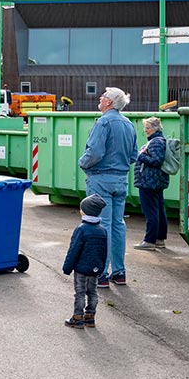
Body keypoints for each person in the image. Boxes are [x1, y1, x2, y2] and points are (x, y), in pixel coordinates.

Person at [78, 87, 137, 288]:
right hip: (121, 179)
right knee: (118, 224)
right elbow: (133, 155)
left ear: (109, 102)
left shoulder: (103, 122)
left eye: (102, 97)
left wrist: (82, 163)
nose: (100, 99)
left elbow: (94, 152)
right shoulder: (129, 124)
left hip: (100, 178)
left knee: (102, 225)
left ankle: (101, 273)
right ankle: (119, 272)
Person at [62, 195, 108, 328]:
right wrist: (101, 268)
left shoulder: (81, 229)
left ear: (85, 211)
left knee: (80, 293)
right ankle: (90, 317)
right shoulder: (102, 230)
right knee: (93, 292)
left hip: (81, 269)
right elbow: (104, 252)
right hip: (95, 269)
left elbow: (74, 250)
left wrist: (67, 268)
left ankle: (77, 318)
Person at [133, 117, 170, 251]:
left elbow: (156, 160)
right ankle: (159, 239)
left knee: (151, 212)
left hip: (149, 182)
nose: (146, 130)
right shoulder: (160, 141)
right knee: (159, 210)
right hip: (155, 181)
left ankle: (149, 240)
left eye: (147, 128)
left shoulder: (155, 143)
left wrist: (140, 155)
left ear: (155, 129)